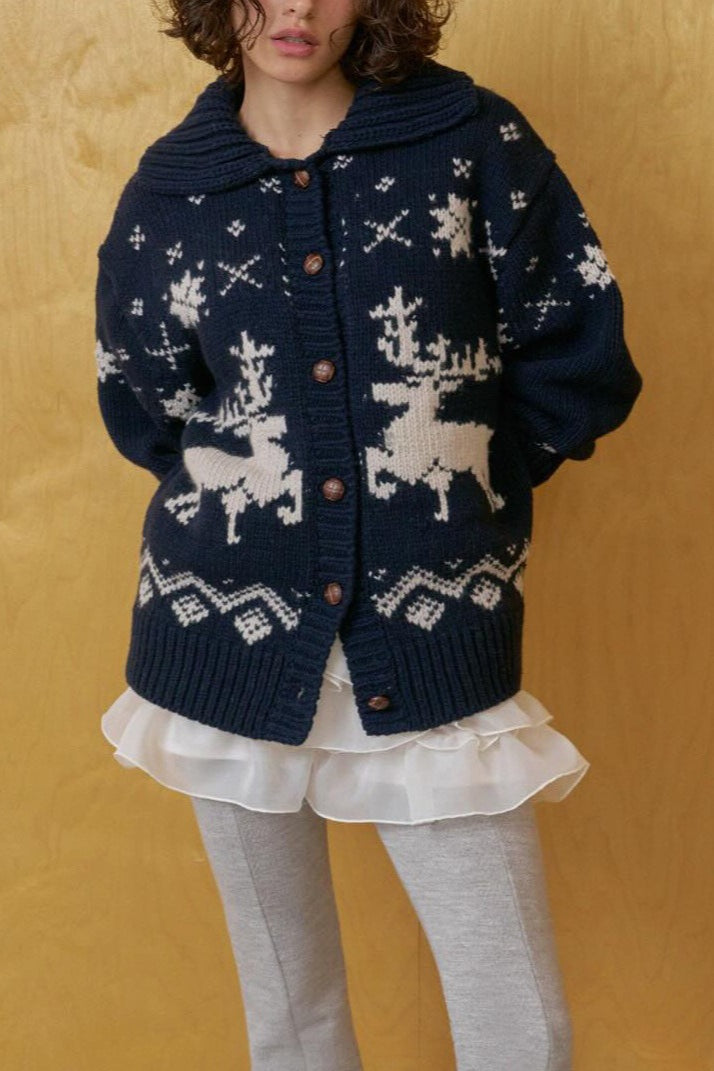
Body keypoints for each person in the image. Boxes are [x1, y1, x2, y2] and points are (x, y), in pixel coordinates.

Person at [94, 1, 643, 1068]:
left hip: (435, 629)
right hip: (218, 632)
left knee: (518, 1026)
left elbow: (580, 354)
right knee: (291, 1019)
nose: (298, 9)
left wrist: (461, 488)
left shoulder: (472, 142)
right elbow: (146, 408)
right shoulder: (170, 192)